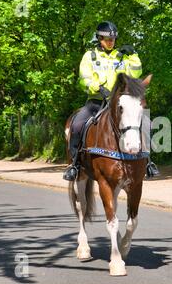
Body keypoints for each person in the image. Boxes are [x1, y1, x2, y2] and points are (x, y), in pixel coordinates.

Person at [63, 21, 159, 181]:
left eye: (113, 40)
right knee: (77, 125)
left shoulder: (122, 57)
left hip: (120, 103)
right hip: (96, 102)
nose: (111, 42)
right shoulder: (90, 56)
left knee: (147, 124)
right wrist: (97, 87)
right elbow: (83, 79)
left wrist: (133, 55)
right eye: (107, 39)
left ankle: (148, 162)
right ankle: (74, 165)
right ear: (99, 38)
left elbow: (136, 74)